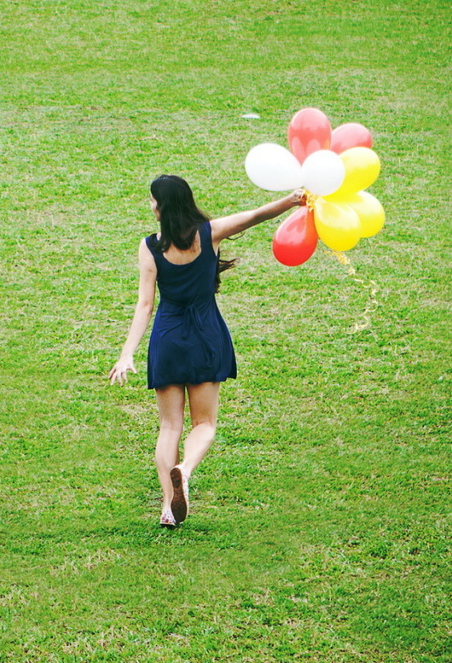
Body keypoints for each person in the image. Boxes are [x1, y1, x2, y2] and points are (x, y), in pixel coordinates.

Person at [108, 175, 305, 528]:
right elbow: (256, 215)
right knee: (205, 423)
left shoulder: (150, 247)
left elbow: (144, 305)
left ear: (162, 206)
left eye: (153, 200)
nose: (151, 206)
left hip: (168, 339)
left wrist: (127, 354)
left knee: (169, 426)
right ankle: (183, 469)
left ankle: (169, 509)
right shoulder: (209, 232)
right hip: (206, 336)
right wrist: (291, 201)